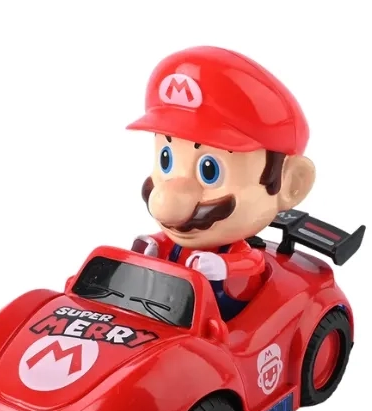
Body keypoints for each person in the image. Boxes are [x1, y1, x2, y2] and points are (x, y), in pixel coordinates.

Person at [127, 46, 316, 322]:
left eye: (209, 170)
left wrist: (222, 266)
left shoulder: (235, 252)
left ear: (290, 183)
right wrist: (153, 243)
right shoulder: (177, 242)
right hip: (171, 313)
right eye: (165, 160)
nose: (167, 200)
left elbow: (253, 262)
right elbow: (164, 244)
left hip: (219, 320)